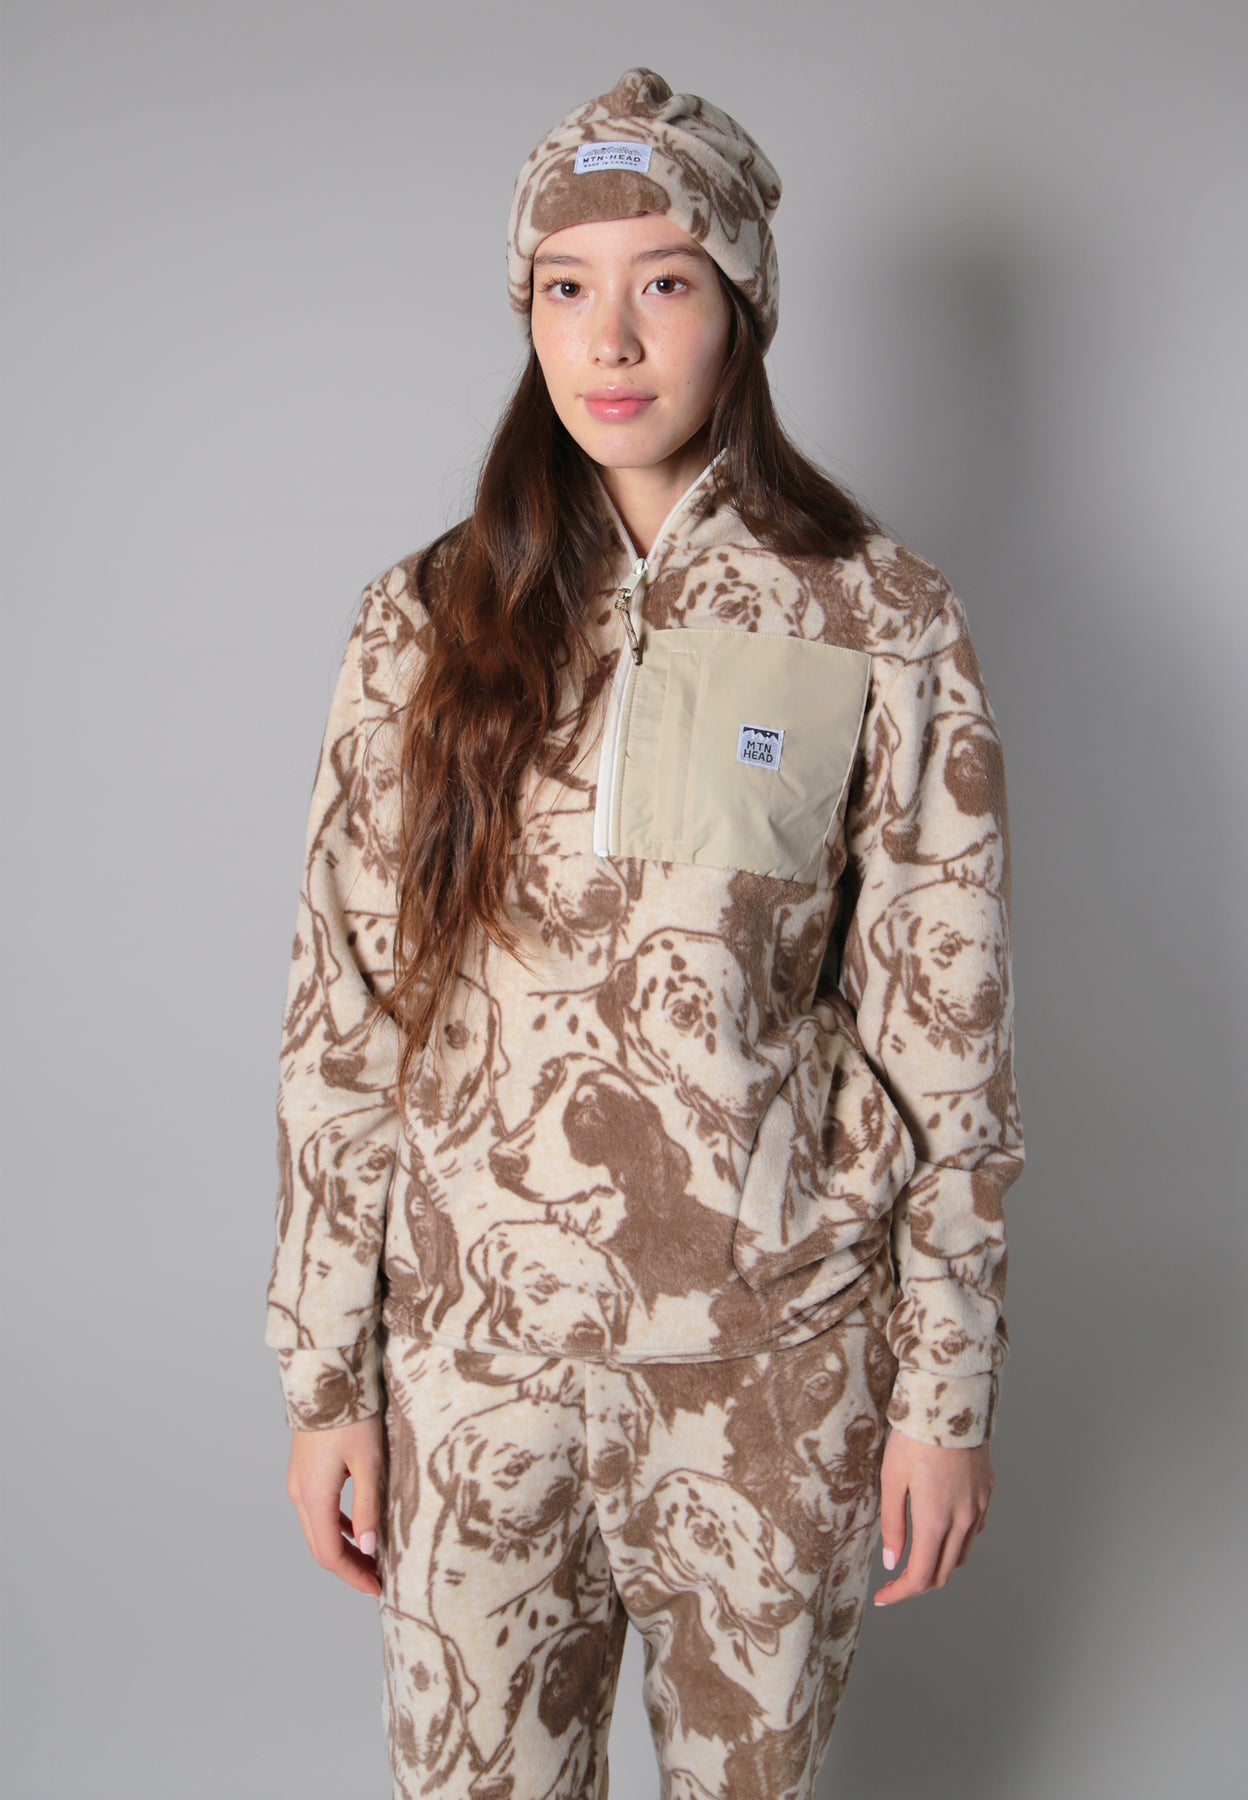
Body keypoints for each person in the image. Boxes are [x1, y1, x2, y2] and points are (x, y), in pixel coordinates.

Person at [264, 65, 1025, 1800]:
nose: (609, 338)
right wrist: (326, 1381)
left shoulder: (879, 619)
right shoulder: (422, 620)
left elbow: (950, 1039)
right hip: (474, 1374)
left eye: (665, 281)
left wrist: (945, 1394)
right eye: (565, 285)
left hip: (769, 1376)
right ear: (527, 309)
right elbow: (343, 1015)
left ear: (742, 305)